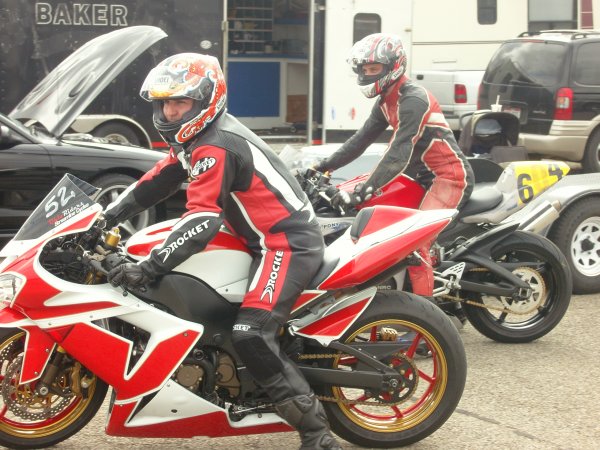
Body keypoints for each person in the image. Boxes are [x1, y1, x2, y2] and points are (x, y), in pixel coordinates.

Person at [103, 53, 341, 450]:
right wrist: (105, 216)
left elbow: (202, 220)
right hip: (252, 236)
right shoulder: (196, 139)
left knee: (251, 332)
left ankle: (317, 434)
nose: (170, 112)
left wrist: (150, 267)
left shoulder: (215, 146)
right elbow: (157, 180)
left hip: (284, 241)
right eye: (165, 103)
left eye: (180, 102)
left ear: (205, 101)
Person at [315, 33, 474, 297]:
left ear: (393, 66)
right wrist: (322, 167)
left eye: (374, 68)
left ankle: (424, 314)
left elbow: (398, 153)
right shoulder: (385, 101)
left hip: (448, 177)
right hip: (418, 177)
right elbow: (360, 141)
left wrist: (363, 190)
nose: (368, 74)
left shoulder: (413, 99)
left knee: (414, 244)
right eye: (364, 69)